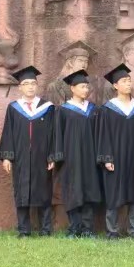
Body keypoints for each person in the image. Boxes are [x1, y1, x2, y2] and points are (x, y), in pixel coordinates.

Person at [0, 66, 56, 238]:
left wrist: (52, 155)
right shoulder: (14, 108)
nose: (30, 87)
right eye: (26, 84)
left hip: (42, 156)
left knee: (44, 191)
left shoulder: (47, 107)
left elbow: (53, 133)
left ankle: (45, 229)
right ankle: (24, 230)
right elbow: (8, 133)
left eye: (33, 83)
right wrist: (7, 157)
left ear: (37, 85)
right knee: (21, 191)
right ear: (20, 87)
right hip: (21, 158)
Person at [96, 63, 134, 239]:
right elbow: (103, 135)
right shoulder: (107, 109)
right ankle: (112, 230)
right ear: (115, 85)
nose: (128, 84)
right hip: (115, 157)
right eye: (124, 81)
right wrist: (107, 158)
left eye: (129, 80)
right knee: (113, 193)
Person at [52, 69, 102, 238]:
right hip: (71, 158)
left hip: (90, 157)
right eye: (82, 86)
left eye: (87, 87)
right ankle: (74, 227)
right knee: (73, 190)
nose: (85, 90)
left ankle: (88, 228)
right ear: (72, 88)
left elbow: (99, 134)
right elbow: (58, 134)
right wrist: (58, 156)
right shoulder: (63, 110)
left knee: (89, 190)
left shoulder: (93, 110)